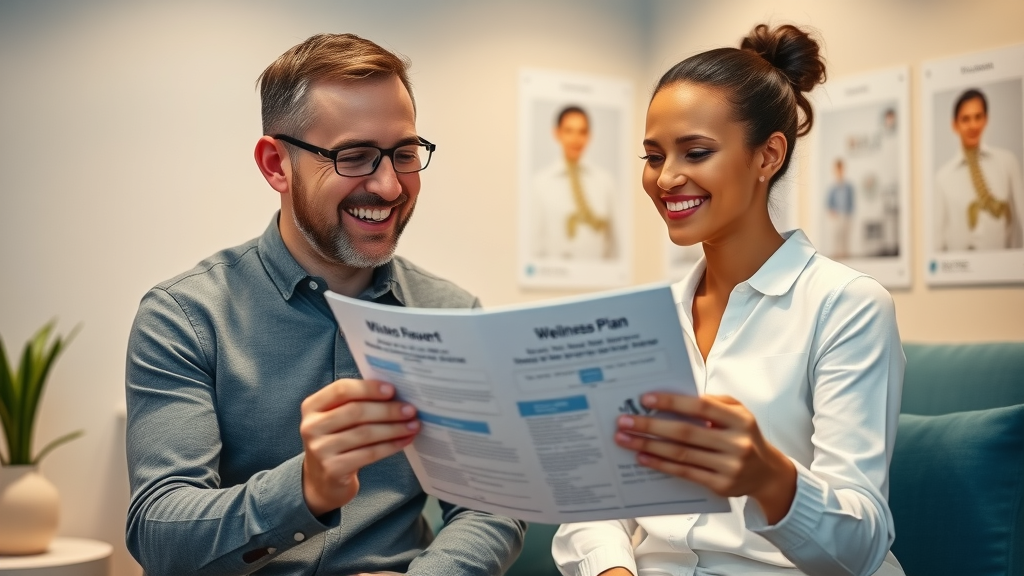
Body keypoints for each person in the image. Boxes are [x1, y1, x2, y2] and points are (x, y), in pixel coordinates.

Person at [125, 33, 525, 576]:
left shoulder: (452, 314)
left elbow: (489, 504)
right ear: (276, 165)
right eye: (354, 157)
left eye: (404, 154)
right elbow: (157, 530)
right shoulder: (185, 318)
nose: (388, 186)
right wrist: (305, 489)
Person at [552, 24, 906, 576]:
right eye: (652, 156)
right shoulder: (643, 319)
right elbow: (596, 501)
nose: (666, 178)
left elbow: (859, 547)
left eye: (695, 152)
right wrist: (611, 569)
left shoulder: (848, 306)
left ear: (768, 157)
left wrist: (770, 477)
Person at [935, 88, 1024, 251]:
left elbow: (1019, 221)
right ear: (955, 124)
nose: (973, 125)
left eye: (978, 117)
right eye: (965, 119)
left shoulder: (1007, 162)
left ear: (986, 119)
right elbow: (937, 239)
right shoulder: (943, 177)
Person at [531, 105, 617, 260]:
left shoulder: (605, 182)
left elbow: (613, 243)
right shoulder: (540, 183)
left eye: (582, 132)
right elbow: (535, 242)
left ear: (589, 136)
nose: (576, 139)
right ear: (557, 133)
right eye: (569, 131)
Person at [826, 158, 855, 258]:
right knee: (836, 235)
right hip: (837, 215)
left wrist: (850, 213)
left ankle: (845, 253)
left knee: (845, 235)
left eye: (841, 169)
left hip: (846, 214)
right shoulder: (833, 188)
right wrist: (831, 211)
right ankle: (837, 253)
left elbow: (851, 201)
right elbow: (829, 202)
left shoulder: (848, 187)